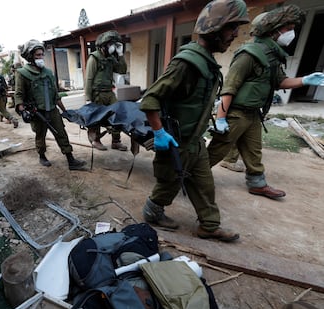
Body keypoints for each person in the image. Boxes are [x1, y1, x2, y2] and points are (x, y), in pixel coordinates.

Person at [139, 0, 249, 242]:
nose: (235, 35)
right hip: (175, 142)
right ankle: (152, 212)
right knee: (168, 185)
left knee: (204, 185)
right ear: (215, 28)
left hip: (195, 141)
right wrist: (158, 133)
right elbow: (150, 99)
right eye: (232, 28)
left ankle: (209, 226)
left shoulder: (207, 62)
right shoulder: (187, 63)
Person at [207, 4, 324, 200]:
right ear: (273, 30)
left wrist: (305, 80)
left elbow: (280, 82)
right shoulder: (249, 54)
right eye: (288, 29)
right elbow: (230, 87)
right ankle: (189, 177)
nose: (291, 33)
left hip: (253, 114)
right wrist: (221, 119)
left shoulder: (273, 55)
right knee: (217, 151)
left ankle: (257, 184)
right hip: (236, 114)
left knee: (254, 152)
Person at [15, 39, 87, 171]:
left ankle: (71, 160)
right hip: (37, 112)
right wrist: (22, 109)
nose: (41, 57)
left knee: (61, 133)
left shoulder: (48, 73)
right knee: (40, 135)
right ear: (30, 56)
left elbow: (55, 94)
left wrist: (64, 111)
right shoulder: (22, 73)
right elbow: (19, 94)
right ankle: (42, 156)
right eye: (37, 55)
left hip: (52, 110)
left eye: (42, 54)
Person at [84, 30, 128, 151]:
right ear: (103, 45)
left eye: (114, 44)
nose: (113, 47)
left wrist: (120, 54)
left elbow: (122, 70)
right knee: (97, 118)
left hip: (109, 92)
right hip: (97, 93)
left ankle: (116, 141)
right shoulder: (94, 58)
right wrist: (88, 98)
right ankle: (96, 140)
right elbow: (89, 79)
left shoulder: (111, 58)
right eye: (110, 44)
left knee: (117, 113)